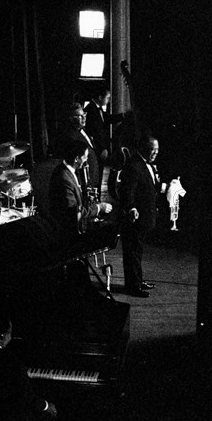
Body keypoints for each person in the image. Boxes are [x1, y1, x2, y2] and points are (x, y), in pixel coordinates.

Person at [118, 135, 163, 298]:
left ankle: (138, 280)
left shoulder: (145, 164)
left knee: (138, 250)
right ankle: (133, 286)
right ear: (143, 148)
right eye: (152, 149)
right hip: (135, 219)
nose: (155, 153)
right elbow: (127, 191)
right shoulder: (134, 166)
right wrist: (131, 208)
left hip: (145, 217)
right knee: (132, 252)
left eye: (157, 150)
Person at [49, 140, 112, 242]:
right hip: (68, 235)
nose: (86, 160)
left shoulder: (67, 170)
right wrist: (99, 207)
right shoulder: (64, 178)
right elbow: (74, 212)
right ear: (76, 159)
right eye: (85, 157)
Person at [84, 87, 125, 190]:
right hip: (97, 149)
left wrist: (123, 116)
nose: (109, 100)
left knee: (99, 174)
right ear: (100, 97)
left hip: (99, 148)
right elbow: (95, 133)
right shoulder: (91, 110)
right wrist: (102, 148)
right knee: (96, 174)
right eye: (108, 98)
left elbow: (107, 118)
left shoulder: (98, 108)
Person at [53, 103, 100, 190]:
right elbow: (73, 162)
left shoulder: (82, 130)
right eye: (80, 116)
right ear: (71, 119)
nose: (84, 118)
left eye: (84, 114)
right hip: (83, 181)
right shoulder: (70, 136)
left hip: (92, 177)